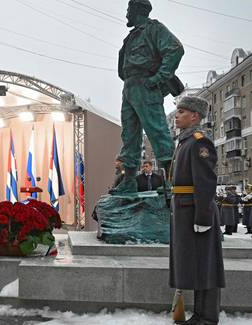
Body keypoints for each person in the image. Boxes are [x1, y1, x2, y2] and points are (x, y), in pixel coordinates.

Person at [111, 0, 184, 194]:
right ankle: (129, 180)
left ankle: (170, 181)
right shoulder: (132, 36)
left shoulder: (154, 29)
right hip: (130, 86)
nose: (126, 14)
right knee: (129, 135)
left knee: (157, 130)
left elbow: (175, 49)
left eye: (128, 10)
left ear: (137, 10)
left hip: (145, 85)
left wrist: (159, 77)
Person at [170, 96, 225, 325]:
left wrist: (203, 216)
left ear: (195, 116)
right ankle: (200, 314)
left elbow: (205, 182)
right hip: (184, 210)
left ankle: (208, 316)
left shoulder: (199, 142)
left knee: (206, 265)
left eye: (182, 111)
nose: (177, 115)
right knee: (195, 264)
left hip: (195, 211)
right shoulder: (185, 141)